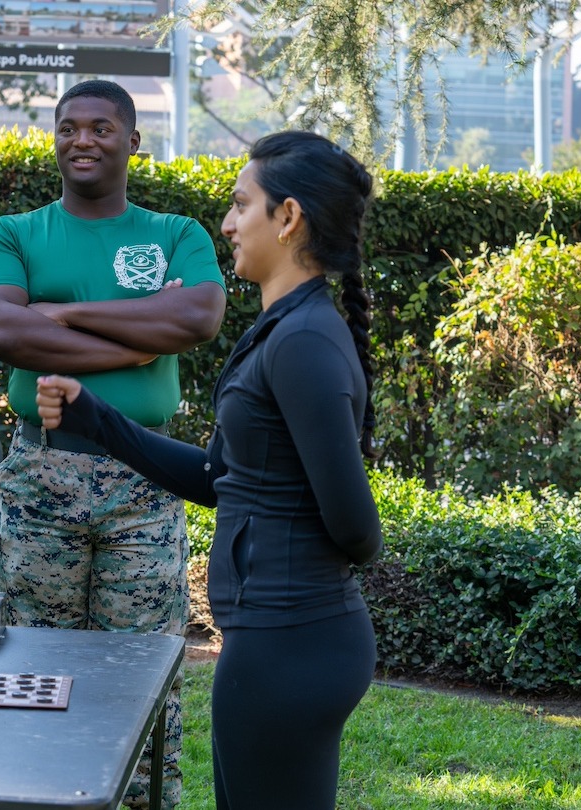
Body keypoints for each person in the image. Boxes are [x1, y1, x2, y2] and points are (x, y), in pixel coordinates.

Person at [34, 130, 383, 810]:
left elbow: (357, 527)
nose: (226, 223)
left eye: (240, 205)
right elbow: (219, 479)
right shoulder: (282, 332)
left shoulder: (305, 341)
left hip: (293, 645)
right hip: (273, 641)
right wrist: (94, 417)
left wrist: (282, 550)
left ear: (288, 219)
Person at [0, 78, 227, 810]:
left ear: (132, 142)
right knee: (31, 663)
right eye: (69, 127)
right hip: (42, 476)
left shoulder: (178, 234)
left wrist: (64, 313)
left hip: (148, 477)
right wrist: (138, 330)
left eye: (102, 128)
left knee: (140, 667)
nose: (83, 139)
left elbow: (197, 318)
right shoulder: (12, 234)